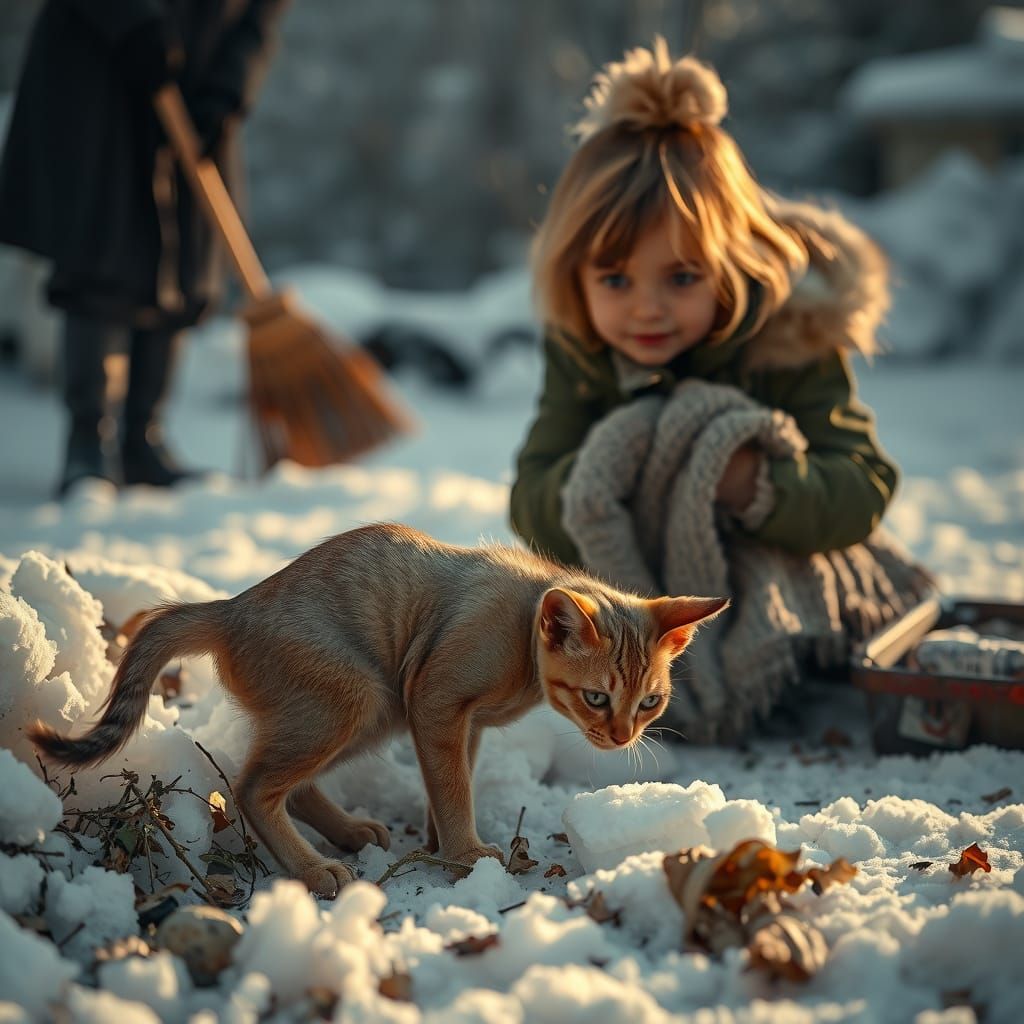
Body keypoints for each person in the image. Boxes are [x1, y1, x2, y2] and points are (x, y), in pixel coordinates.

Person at [510, 40, 931, 741]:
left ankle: (787, 674)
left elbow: (860, 484)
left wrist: (752, 486)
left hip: (765, 563)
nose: (645, 308)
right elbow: (531, 500)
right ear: (575, 277)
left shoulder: (788, 336)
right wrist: (611, 477)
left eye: (680, 278)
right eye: (615, 279)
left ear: (729, 265)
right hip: (642, 591)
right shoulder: (584, 350)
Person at [0, 0, 288, 495]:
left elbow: (263, 13)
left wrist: (230, 87)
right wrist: (129, 22)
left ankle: (143, 441)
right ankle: (88, 443)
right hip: (104, 62)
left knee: (185, 256)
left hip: (200, 73)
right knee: (102, 248)